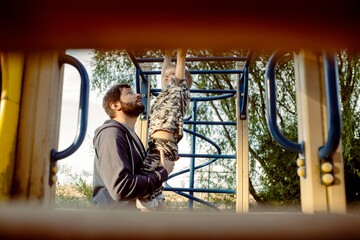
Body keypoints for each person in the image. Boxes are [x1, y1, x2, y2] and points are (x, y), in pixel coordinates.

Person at [92, 83, 175, 210]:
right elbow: (121, 188)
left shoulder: (130, 136)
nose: (137, 95)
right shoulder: (111, 134)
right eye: (129, 93)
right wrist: (162, 173)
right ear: (115, 105)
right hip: (111, 224)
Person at [136, 48, 193, 210]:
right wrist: (167, 53)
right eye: (166, 76)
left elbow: (181, 56)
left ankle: (150, 204)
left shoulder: (179, 88)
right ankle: (157, 200)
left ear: (184, 80)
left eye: (172, 75)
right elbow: (164, 73)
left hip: (164, 145)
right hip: (156, 144)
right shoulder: (165, 92)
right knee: (152, 184)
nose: (167, 77)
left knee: (143, 181)